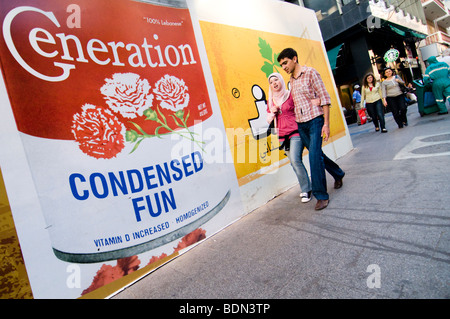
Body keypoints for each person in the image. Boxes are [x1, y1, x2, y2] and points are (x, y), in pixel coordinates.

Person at [277, 48, 345, 211]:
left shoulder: (310, 73)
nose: (284, 67)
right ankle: (338, 174)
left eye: (285, 62)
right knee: (318, 155)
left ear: (294, 58)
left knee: (314, 156)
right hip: (301, 124)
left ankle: (321, 195)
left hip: (315, 121)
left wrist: (326, 124)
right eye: (281, 65)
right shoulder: (291, 81)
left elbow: (325, 99)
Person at [266, 73, 312, 203]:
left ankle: (306, 189)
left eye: (276, 80)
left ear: (281, 80)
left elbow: (299, 108)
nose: (274, 83)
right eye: (271, 82)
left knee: (296, 160)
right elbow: (268, 118)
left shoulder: (290, 95)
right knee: (293, 162)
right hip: (281, 135)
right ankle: (306, 185)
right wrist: (273, 111)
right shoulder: (271, 101)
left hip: (295, 131)